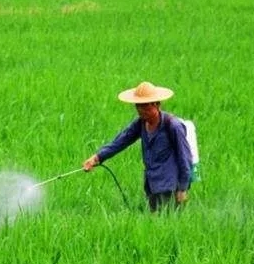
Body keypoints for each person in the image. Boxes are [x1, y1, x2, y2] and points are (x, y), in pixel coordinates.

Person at [82, 81, 192, 212]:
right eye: (138, 106)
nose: (141, 110)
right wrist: (97, 158)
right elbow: (120, 141)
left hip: (170, 186)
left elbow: (185, 158)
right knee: (155, 225)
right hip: (152, 185)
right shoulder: (141, 123)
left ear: (157, 104)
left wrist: (183, 188)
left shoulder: (173, 126)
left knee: (168, 223)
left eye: (145, 106)